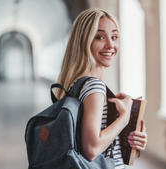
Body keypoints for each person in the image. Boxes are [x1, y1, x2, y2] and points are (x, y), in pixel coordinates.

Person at [55, 8, 147, 169]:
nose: (110, 44)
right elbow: (92, 149)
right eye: (100, 37)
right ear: (84, 41)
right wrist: (123, 119)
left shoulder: (75, 84)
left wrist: (128, 139)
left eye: (114, 37)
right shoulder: (94, 86)